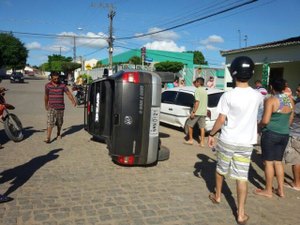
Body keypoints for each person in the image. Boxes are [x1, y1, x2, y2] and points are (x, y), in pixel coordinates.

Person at [207, 56, 263, 225]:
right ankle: (241, 214)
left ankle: (217, 196)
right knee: (241, 177)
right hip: (246, 144)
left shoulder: (228, 95)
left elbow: (220, 119)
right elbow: (258, 120)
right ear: (251, 73)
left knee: (221, 169)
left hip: (227, 140)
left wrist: (211, 134)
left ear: (233, 73)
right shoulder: (258, 96)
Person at [254, 78, 294, 198]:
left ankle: (268, 190)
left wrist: (258, 126)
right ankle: (281, 190)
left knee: (269, 163)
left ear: (271, 87)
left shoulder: (271, 100)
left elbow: (265, 120)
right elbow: (290, 119)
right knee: (278, 162)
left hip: (271, 134)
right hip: (284, 134)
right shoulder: (290, 100)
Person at [44, 72, 77, 143]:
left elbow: (68, 93)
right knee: (50, 122)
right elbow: (46, 96)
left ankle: (58, 133)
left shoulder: (63, 85)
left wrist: (73, 101)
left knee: (59, 122)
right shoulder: (47, 86)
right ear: (51, 78)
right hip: (51, 107)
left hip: (60, 107)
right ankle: (48, 137)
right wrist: (46, 105)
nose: (56, 80)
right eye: (54, 78)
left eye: (57, 78)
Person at [184, 77, 207, 147]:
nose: (195, 83)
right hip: (203, 112)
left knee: (189, 125)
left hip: (197, 112)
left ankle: (191, 140)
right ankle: (202, 142)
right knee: (202, 128)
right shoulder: (205, 91)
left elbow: (197, 102)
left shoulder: (197, 90)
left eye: (196, 82)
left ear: (198, 83)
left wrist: (193, 112)